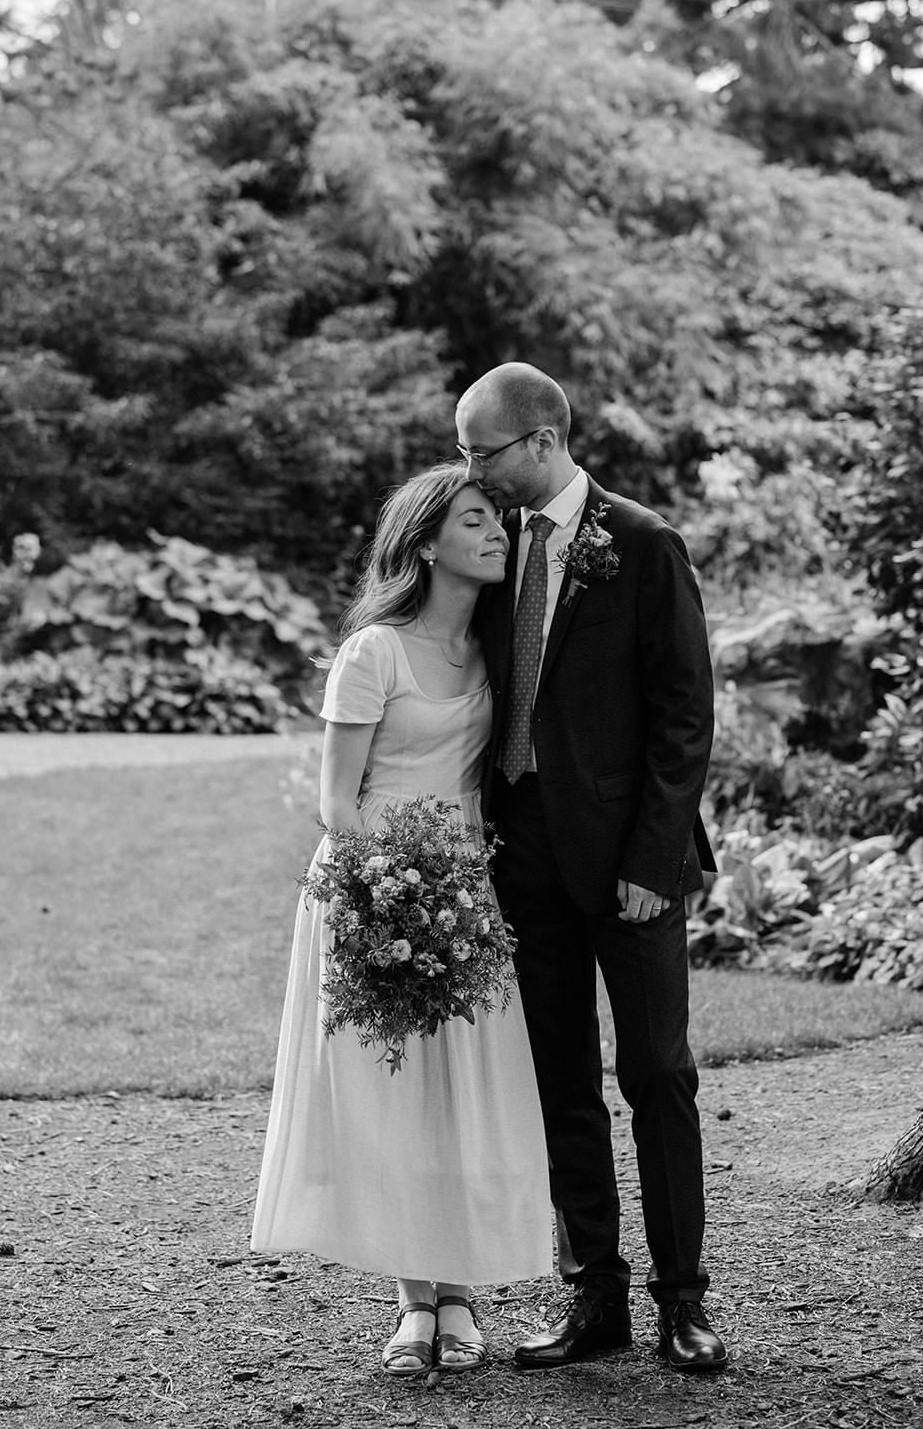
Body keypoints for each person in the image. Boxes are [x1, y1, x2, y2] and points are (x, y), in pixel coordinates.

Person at [251, 462, 553, 1377]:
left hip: (467, 892)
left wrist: (450, 895)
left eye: (496, 520)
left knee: (464, 1089)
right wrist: (392, 892)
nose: (497, 534)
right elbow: (336, 803)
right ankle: (414, 1301)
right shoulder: (372, 652)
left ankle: (460, 1287)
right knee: (392, 1094)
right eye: (473, 521)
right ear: (425, 544)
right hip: (371, 889)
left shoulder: (502, 646)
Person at [454, 363, 727, 1374]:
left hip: (631, 868)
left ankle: (684, 1304)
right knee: (558, 1079)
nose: (466, 467)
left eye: (479, 448)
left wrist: (655, 860)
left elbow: (683, 714)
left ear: (539, 440)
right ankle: (593, 1299)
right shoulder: (492, 542)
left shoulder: (643, 543)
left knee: (657, 1075)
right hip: (524, 859)